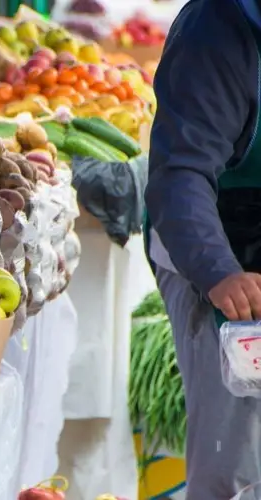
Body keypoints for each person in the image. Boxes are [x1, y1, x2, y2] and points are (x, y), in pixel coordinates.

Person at [145, 0, 261, 497]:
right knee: (237, 455)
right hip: (212, 246)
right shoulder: (215, 31)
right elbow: (182, 172)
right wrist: (218, 271)